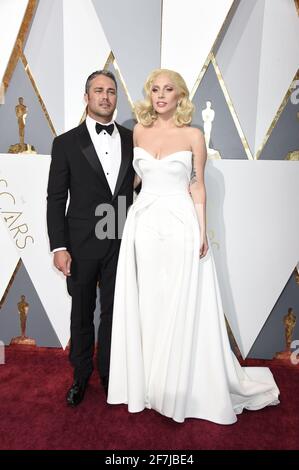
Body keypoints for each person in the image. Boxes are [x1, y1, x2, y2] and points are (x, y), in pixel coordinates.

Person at [107, 69, 280, 424]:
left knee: (177, 299)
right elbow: (135, 180)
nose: (160, 95)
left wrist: (202, 230)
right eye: (154, 89)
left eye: (168, 89)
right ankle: (150, 384)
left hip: (180, 223)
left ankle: (182, 385)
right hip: (143, 224)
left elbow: (198, 186)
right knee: (149, 301)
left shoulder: (193, 135)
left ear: (180, 96)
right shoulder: (138, 131)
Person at [47, 70, 135, 406]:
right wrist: (59, 246)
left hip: (121, 238)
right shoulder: (66, 143)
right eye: (98, 90)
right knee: (81, 313)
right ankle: (80, 377)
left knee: (115, 313)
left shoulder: (131, 139)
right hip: (81, 242)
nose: (105, 97)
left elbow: (137, 184)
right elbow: (56, 198)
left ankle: (111, 375)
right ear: (86, 97)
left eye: (111, 91)